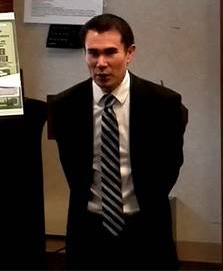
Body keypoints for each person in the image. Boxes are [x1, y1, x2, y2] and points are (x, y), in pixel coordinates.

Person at [49, 14, 187, 270]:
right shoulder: (65, 105)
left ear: (129, 52)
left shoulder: (163, 104)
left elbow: (170, 167)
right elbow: (73, 171)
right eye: (93, 53)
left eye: (110, 52)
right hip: (88, 231)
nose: (101, 63)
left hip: (146, 230)